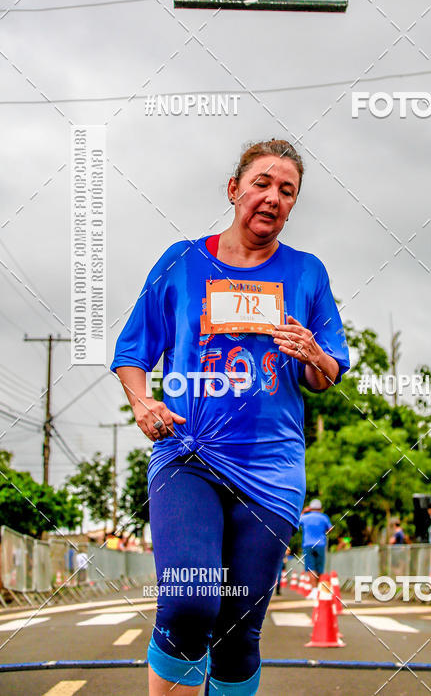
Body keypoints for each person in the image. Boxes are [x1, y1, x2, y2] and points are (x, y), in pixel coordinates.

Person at [111, 139, 350, 696]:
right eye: (262, 184)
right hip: (188, 454)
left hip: (271, 468)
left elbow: (327, 373)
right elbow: (132, 351)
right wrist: (142, 401)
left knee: (240, 629)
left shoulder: (308, 273)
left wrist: (315, 356)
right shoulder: (180, 263)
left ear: (293, 206)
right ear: (234, 190)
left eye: (286, 191)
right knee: (191, 603)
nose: (272, 197)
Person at [299, 498, 332, 598]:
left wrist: (304, 511)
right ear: (320, 508)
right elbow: (330, 528)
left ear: (311, 508)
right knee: (320, 568)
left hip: (308, 545)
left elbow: (297, 522)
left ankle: (314, 590)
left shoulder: (305, 517)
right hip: (321, 544)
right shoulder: (324, 517)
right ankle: (319, 590)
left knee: (310, 568)